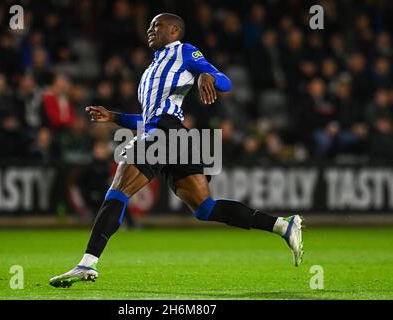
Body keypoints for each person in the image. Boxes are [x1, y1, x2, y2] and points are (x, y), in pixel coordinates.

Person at [49, 13, 303, 288]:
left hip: (166, 133)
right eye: (149, 26)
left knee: (118, 189)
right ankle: (281, 225)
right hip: (169, 134)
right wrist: (113, 117)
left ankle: (87, 263)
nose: (149, 29)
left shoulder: (183, 51)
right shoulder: (149, 73)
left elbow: (225, 81)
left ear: (174, 31)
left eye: (156, 26)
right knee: (205, 208)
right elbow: (148, 119)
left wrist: (206, 74)